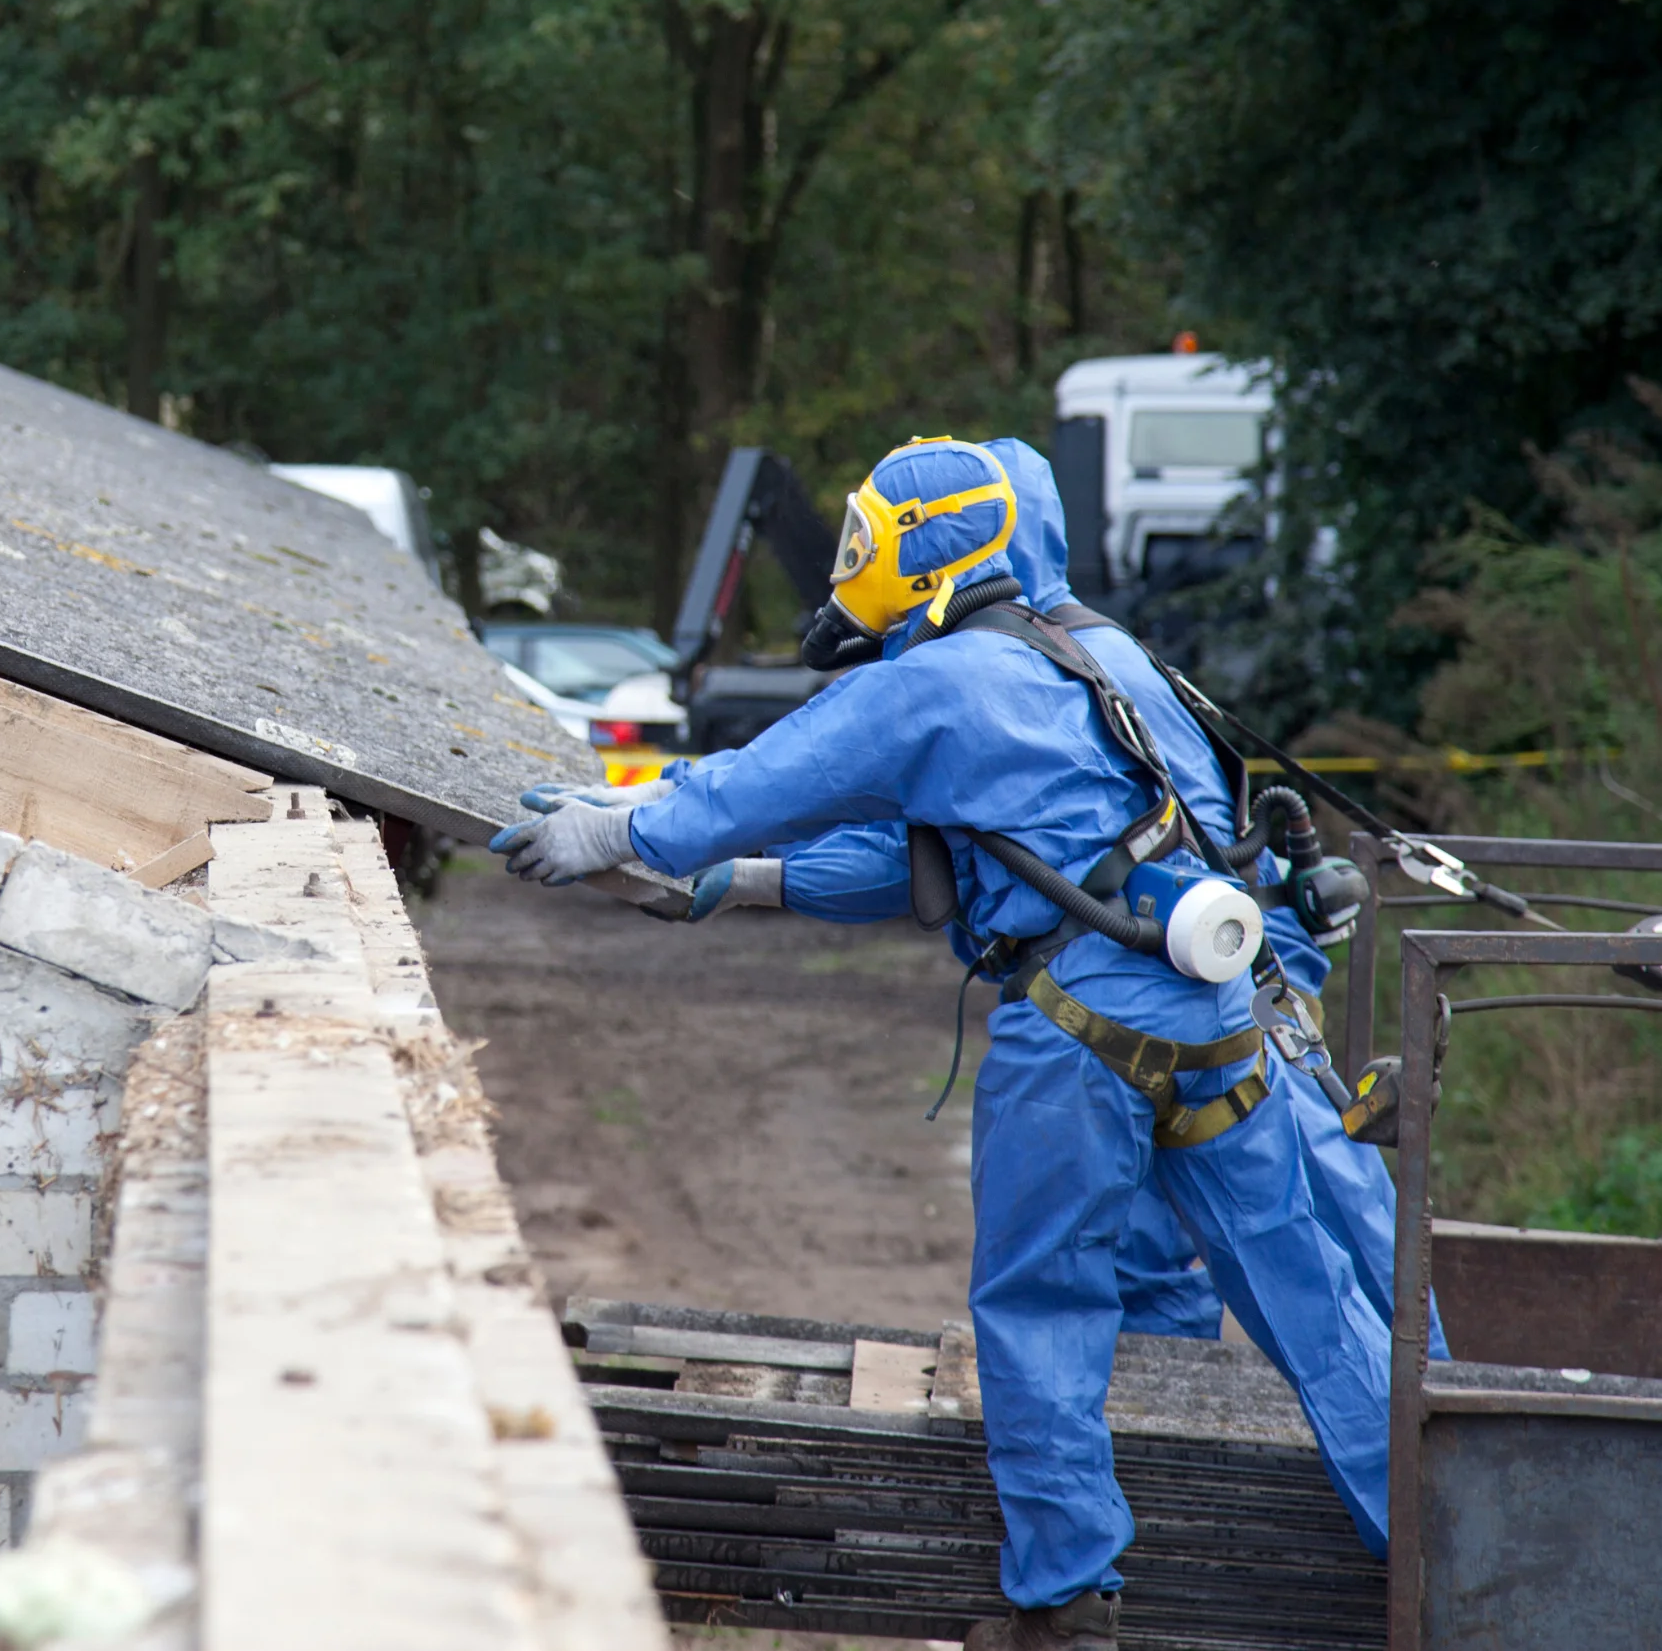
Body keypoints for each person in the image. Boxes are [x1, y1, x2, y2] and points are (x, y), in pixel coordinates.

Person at [492, 436, 1392, 1651]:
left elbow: (758, 779)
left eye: (865, 546)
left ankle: (1067, 1604)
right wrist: (746, 884)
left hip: (1075, 1038)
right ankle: (1462, 1552)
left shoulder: (935, 683)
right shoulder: (1110, 655)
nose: (849, 570)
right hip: (1220, 1024)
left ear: (928, 547)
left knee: (1042, 1301)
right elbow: (957, 859)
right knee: (1316, 1300)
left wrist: (624, 830)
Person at [677, 439, 1443, 1356]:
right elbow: (956, 860)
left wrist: (719, 858)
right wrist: (767, 880)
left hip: (1203, 990)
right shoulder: (1065, 658)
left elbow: (985, 860)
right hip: (1210, 990)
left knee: (1275, 1264)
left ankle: (1416, 1465)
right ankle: (1380, 1471)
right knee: (1279, 1288)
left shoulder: (1026, 673)